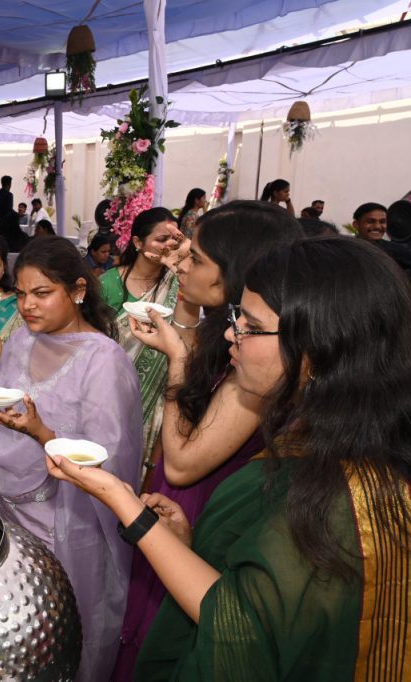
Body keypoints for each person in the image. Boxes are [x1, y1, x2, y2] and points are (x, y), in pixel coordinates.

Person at [48, 237, 411, 680]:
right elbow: (260, 586)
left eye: (251, 326)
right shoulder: (320, 439)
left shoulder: (338, 497)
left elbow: (240, 629)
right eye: (237, 316)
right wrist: (191, 544)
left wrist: (123, 502)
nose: (229, 333)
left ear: (319, 348)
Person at [108, 200, 303, 680]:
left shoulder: (254, 371)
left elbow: (182, 462)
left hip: (201, 502)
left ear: (231, 272)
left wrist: (175, 358)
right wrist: (186, 304)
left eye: (195, 257)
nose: (181, 264)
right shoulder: (230, 333)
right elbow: (197, 373)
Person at [0, 235, 142, 682]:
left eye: (42, 293)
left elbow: (107, 467)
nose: (27, 306)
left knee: (56, 632)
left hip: (66, 523)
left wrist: (41, 433)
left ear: (77, 290)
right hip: (9, 511)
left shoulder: (104, 361)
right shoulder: (22, 339)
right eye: (21, 293)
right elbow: (1, 419)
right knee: (12, 628)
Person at [100, 207, 196, 463]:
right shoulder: (109, 283)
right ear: (137, 242)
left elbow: (188, 340)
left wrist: (184, 270)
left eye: (174, 240)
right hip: (111, 391)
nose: (169, 246)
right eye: (161, 239)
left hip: (161, 392)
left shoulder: (179, 283)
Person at [352, 201, 411, 275]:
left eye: (382, 222)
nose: (377, 226)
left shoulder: (395, 249)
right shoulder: (346, 249)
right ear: (356, 224)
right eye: (370, 221)